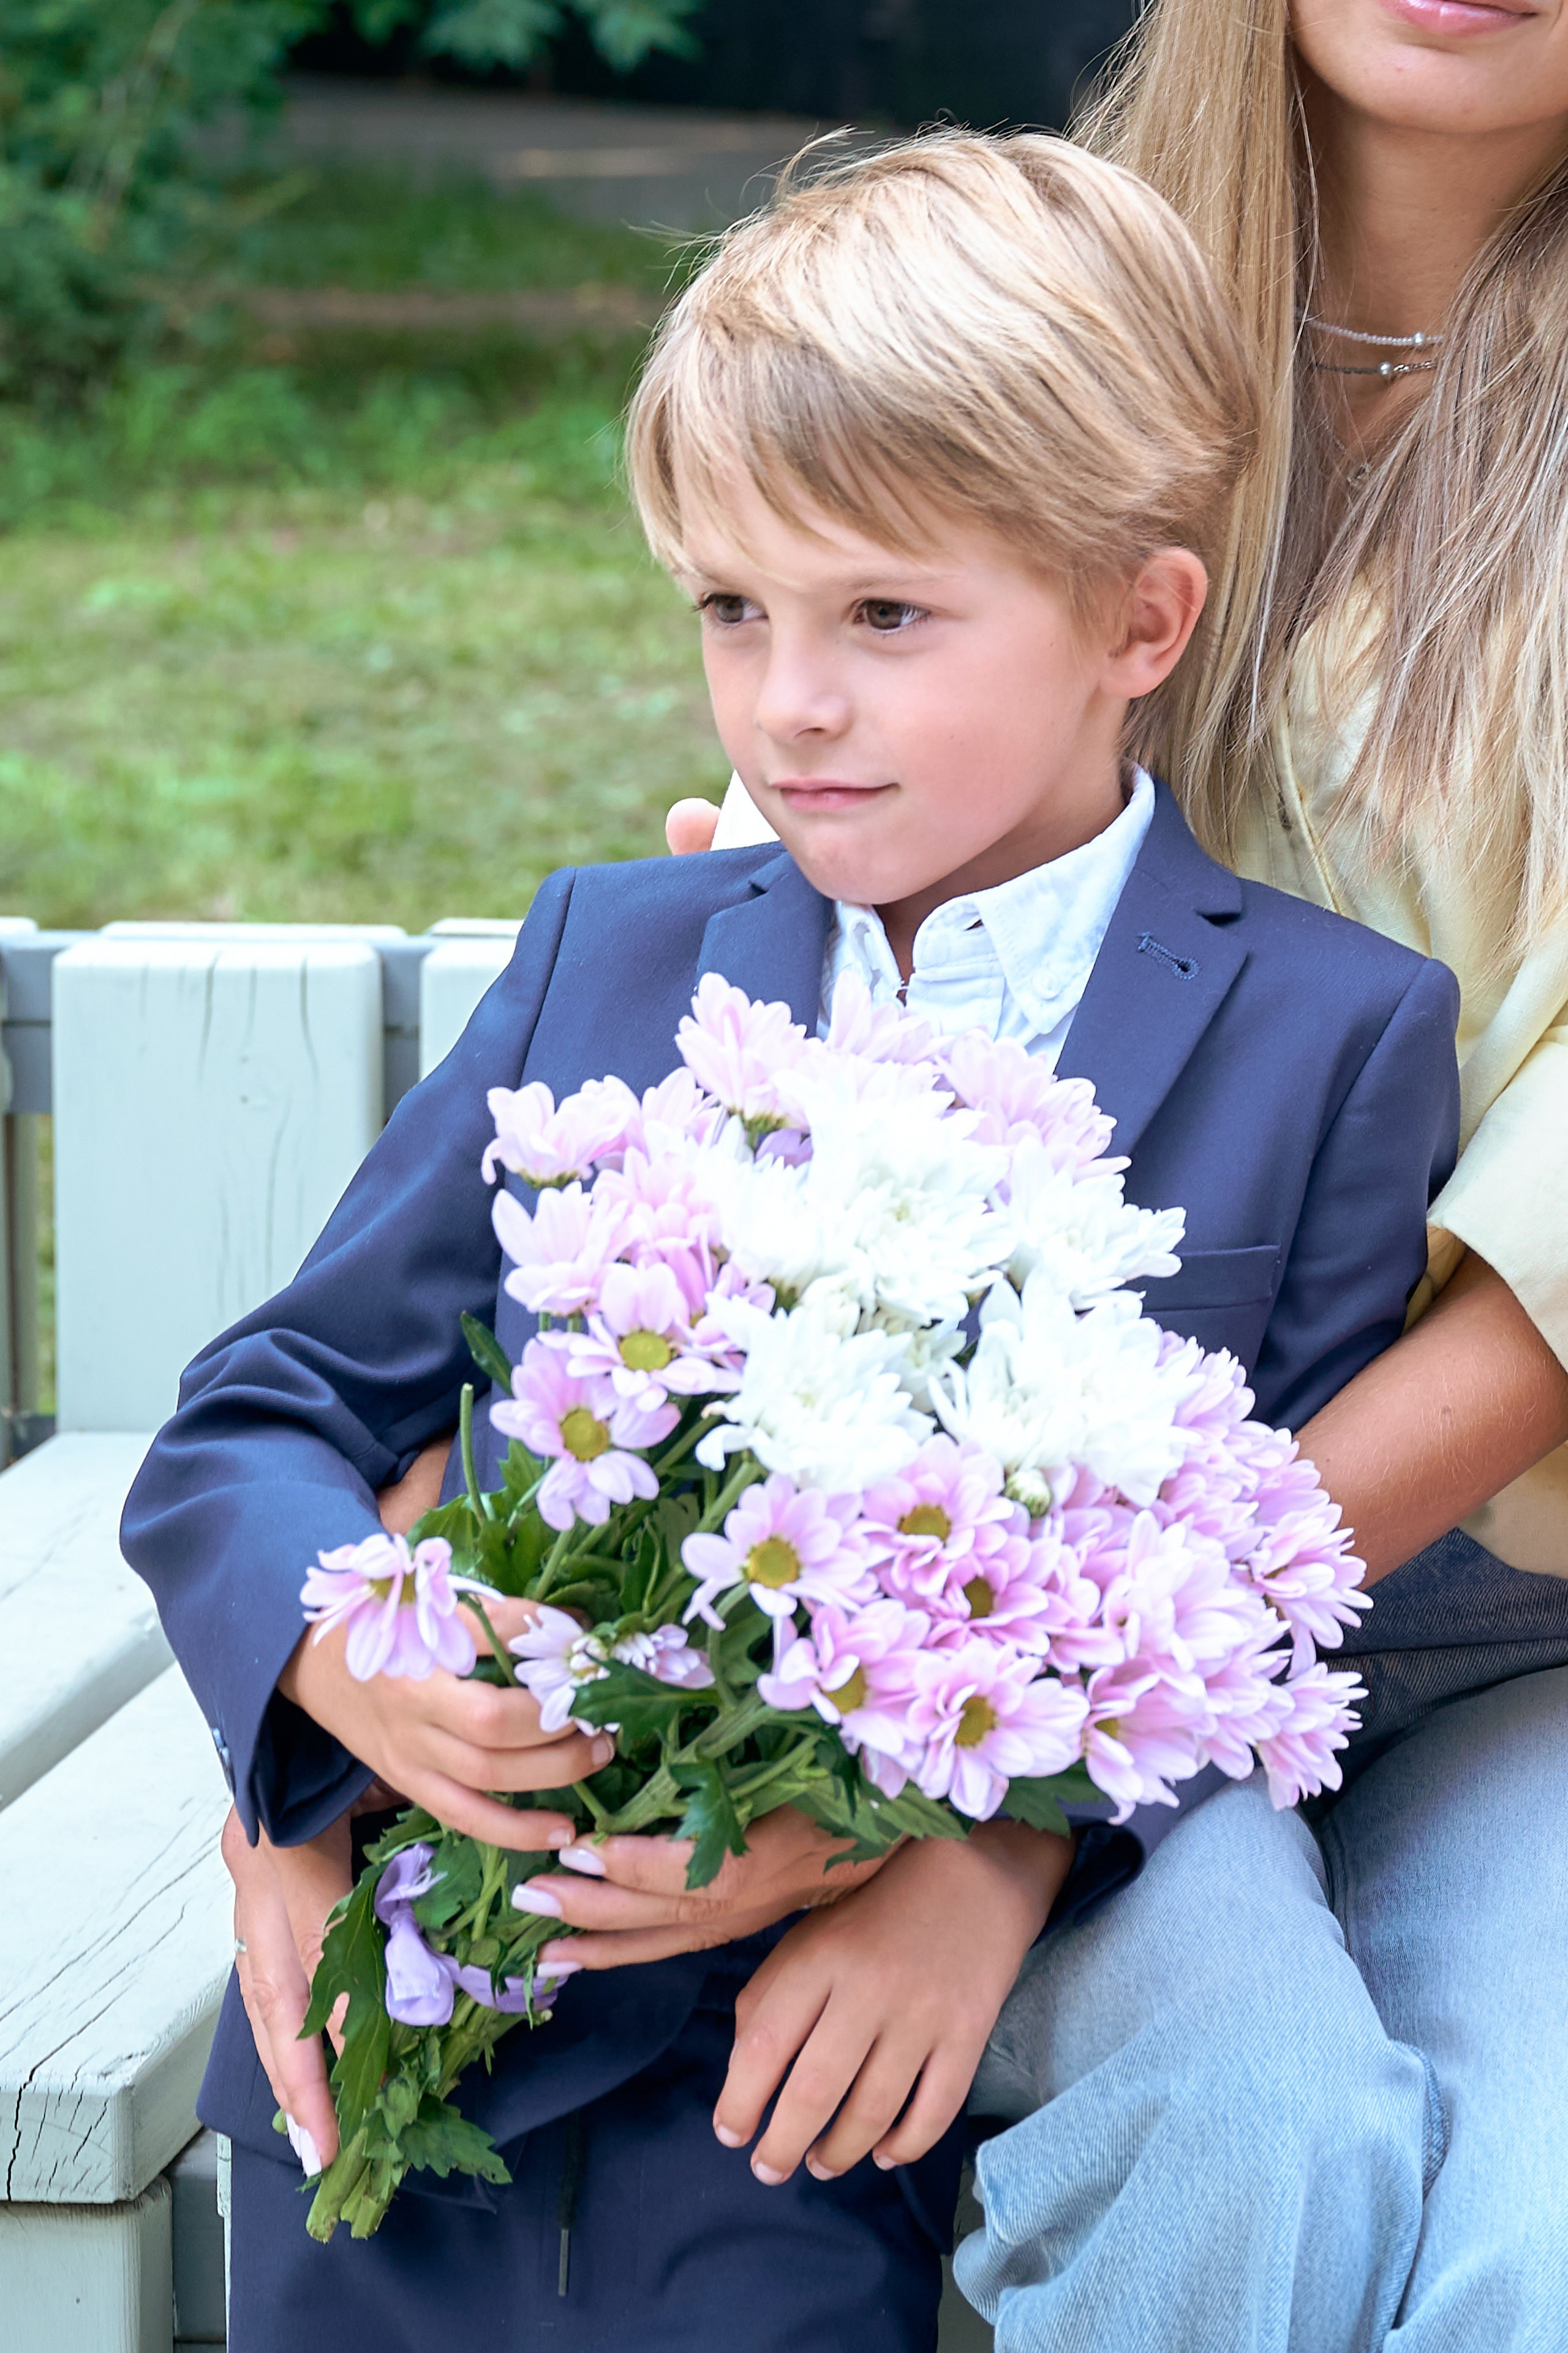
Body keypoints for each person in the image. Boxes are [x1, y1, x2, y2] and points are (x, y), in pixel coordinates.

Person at [124, 137, 1460, 2349]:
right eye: (732, 610)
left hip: (991, 1923)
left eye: (886, 617)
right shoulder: (613, 965)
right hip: (538, 1992)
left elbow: (1257, 1596)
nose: (789, 705)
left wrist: (981, 1844)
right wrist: (336, 1670)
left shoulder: (1335, 1035)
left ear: (1142, 621)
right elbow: (268, 1411)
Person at [664, 6, 1568, 2346]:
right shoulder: (1044, 291)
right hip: (977, 1539)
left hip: (1502, 1600)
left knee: (1532, 2257)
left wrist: (1034, 1782)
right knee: (1243, 2138)